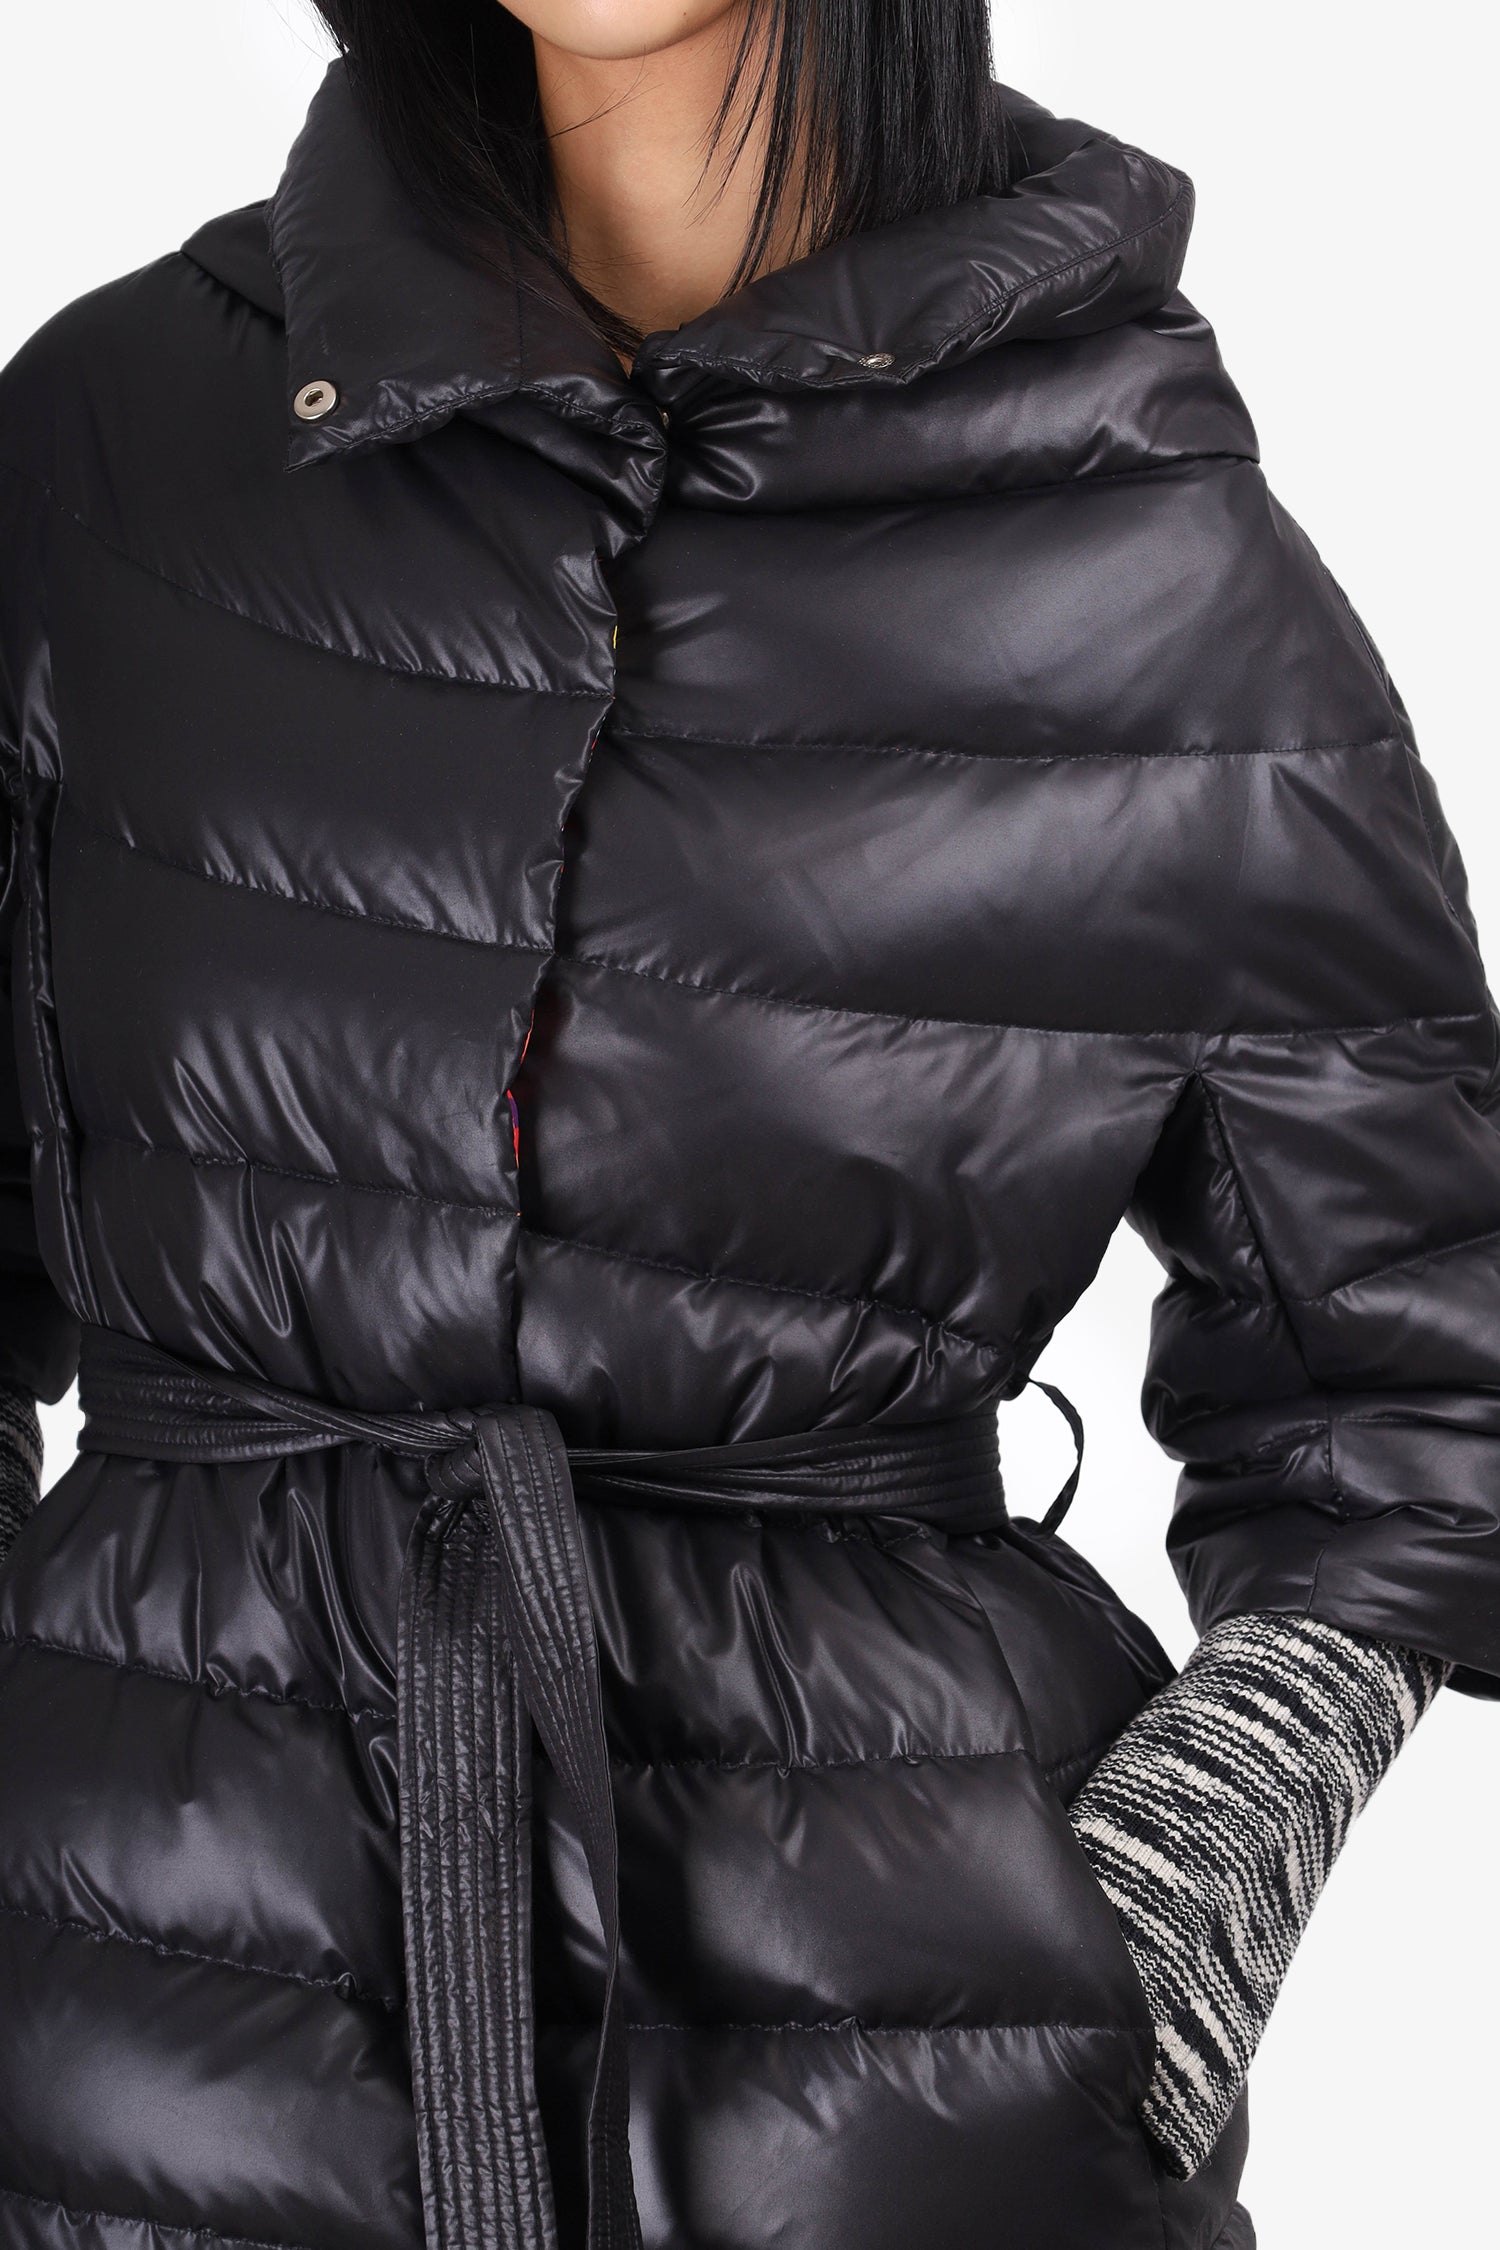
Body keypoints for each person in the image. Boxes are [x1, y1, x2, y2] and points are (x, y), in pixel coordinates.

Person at [0, 3, 1491, 2246]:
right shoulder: (119, 440)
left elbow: (1421, 1377)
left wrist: (1161, 1935)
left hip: (883, 2111)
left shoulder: (1152, 558)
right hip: (113, 2030)